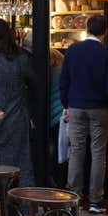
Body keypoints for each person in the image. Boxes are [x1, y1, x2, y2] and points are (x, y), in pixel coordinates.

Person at [59, 14, 108, 214]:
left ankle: (74, 196)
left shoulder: (73, 50)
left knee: (76, 150)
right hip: (100, 107)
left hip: (76, 105)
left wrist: (66, 104)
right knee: (98, 152)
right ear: (105, 32)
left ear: (87, 29)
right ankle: (95, 201)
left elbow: (64, 80)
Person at [0, 19, 36, 193]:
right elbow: (34, 83)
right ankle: (22, 202)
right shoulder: (21, 60)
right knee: (21, 164)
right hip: (15, 121)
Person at [47, 48, 66, 188]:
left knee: (50, 148)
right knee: (61, 151)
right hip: (61, 116)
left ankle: (49, 178)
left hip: (48, 116)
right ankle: (59, 181)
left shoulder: (46, 73)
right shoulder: (63, 72)